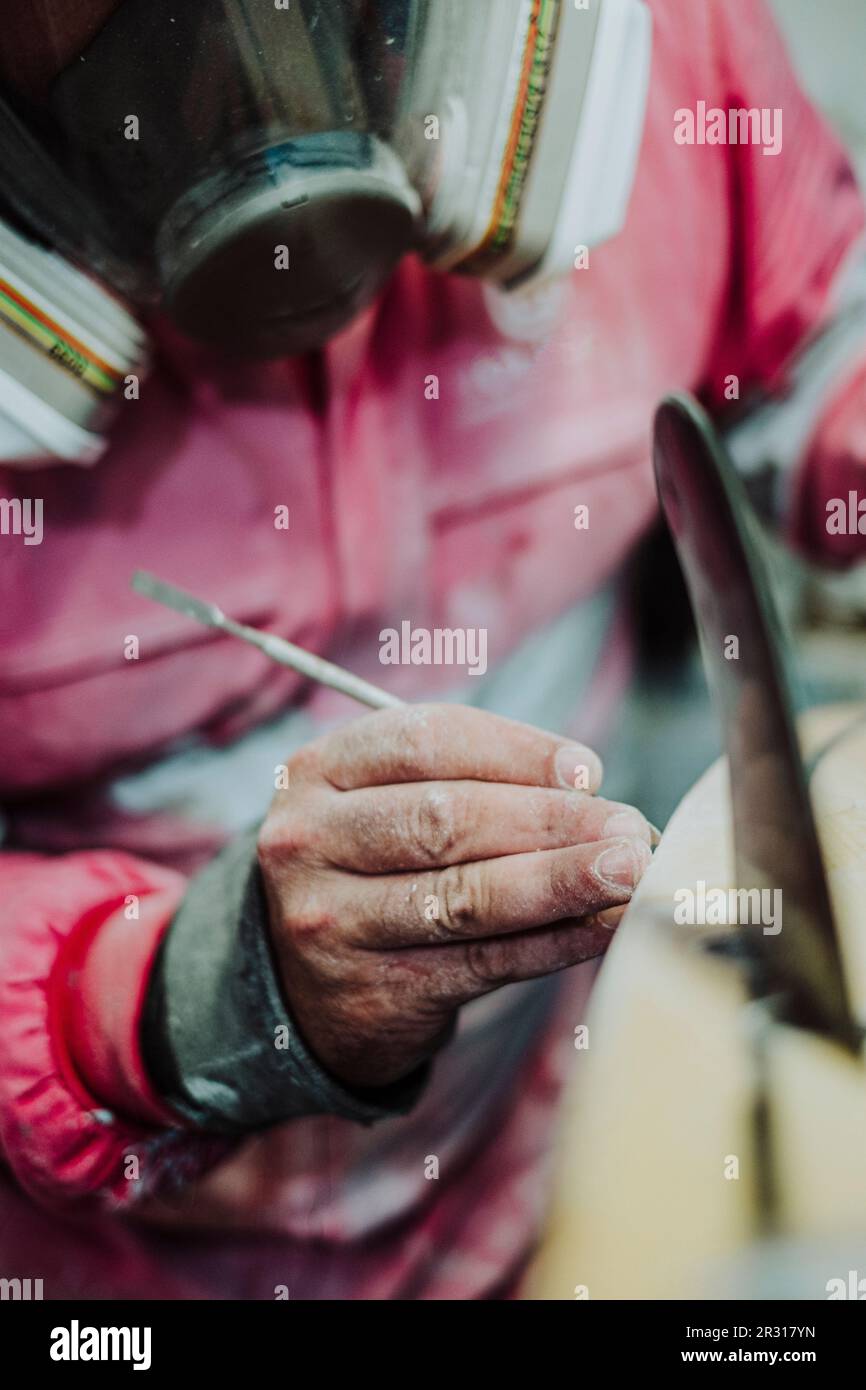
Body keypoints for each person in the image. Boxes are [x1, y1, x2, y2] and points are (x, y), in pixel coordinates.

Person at [0, 0, 864, 1300]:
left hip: (564, 1169)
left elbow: (809, 333)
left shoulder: (667, 58)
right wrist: (175, 999)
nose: (235, 59)